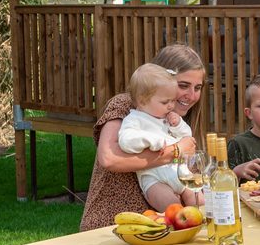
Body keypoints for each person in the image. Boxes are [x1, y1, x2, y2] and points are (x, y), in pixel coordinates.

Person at [81, 44, 208, 232]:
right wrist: (176, 151)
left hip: (162, 226)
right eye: (183, 85)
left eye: (197, 88)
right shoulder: (127, 105)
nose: (191, 95)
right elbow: (109, 158)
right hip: (113, 225)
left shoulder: (174, 118)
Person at [116, 63, 201, 211]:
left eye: (172, 101)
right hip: (153, 177)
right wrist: (152, 141)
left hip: (179, 172)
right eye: (165, 102)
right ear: (142, 101)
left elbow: (187, 137)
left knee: (200, 202)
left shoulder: (166, 116)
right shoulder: (135, 119)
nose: (170, 106)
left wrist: (178, 125)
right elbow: (126, 141)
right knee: (172, 207)